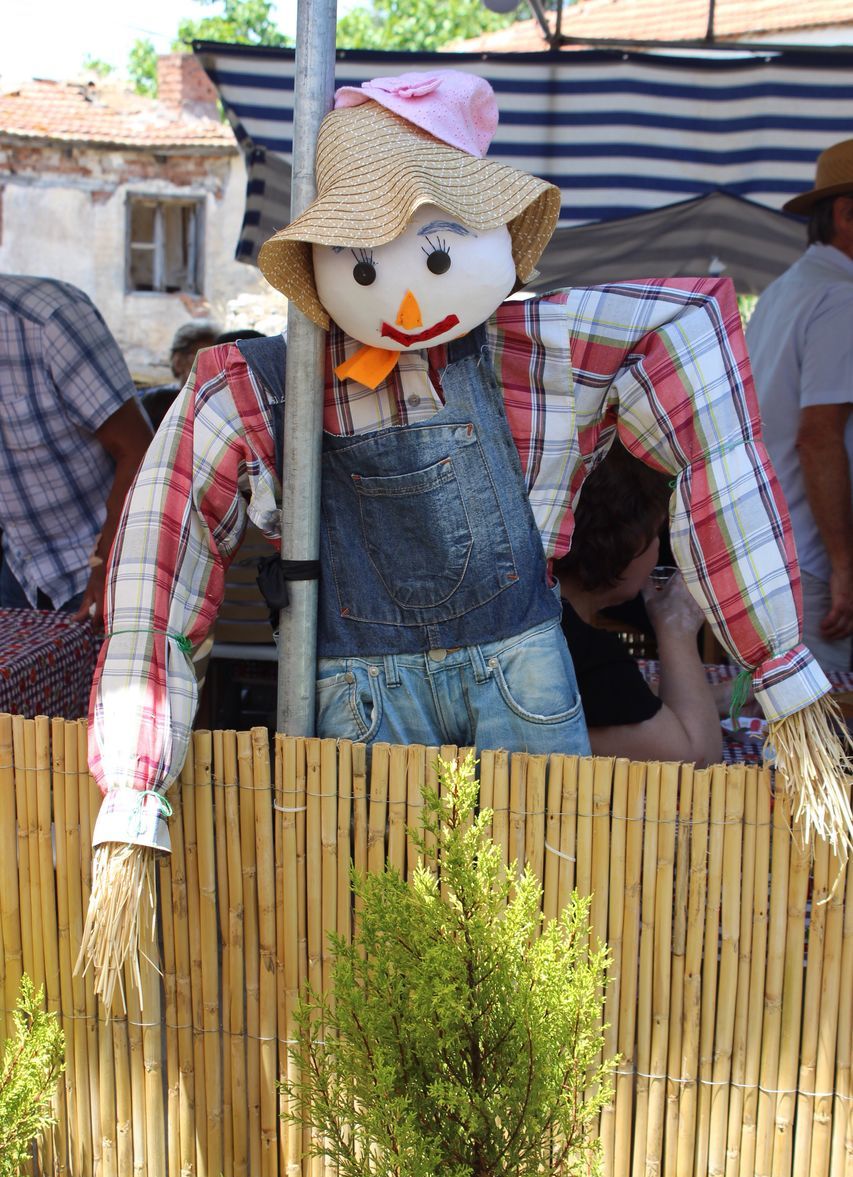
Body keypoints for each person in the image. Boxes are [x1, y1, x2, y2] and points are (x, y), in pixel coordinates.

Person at [87, 69, 840, 883]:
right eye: (365, 266)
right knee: (398, 931)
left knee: (532, 922)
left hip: (502, 688)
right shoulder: (264, 384)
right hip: (380, 703)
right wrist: (137, 778)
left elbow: (695, 371)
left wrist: (781, 665)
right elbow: (155, 590)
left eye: (436, 252)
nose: (408, 307)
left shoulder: (530, 352)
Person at [746, 139, 853, 673]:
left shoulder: (787, 290)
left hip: (775, 545)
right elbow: (818, 437)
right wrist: (844, 566)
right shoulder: (840, 298)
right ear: (847, 213)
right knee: (819, 737)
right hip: (813, 562)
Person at [554, 445, 722, 766]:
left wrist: (724, 698)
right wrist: (676, 627)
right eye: (656, 534)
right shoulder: (587, 656)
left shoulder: (556, 623)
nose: (660, 548)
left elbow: (637, 705)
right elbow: (697, 758)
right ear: (628, 545)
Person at [0, 274, 152, 627]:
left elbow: (140, 451)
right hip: (19, 565)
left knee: (107, 683)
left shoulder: (51, 319)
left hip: (95, 559)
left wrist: (107, 564)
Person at [140, 318, 223, 429]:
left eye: (217, 358)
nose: (213, 365)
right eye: (204, 358)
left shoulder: (221, 407)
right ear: (178, 361)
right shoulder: (157, 403)